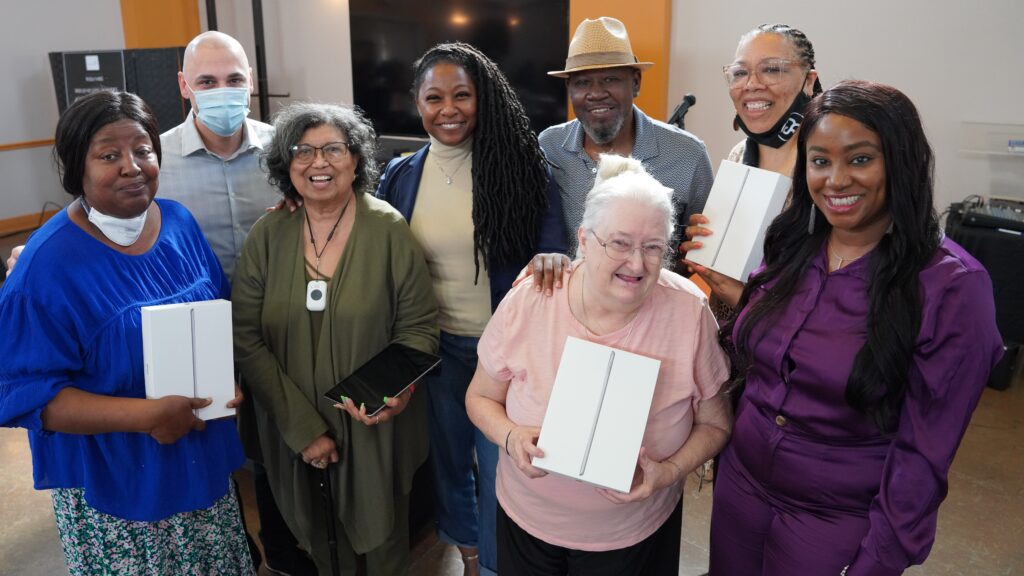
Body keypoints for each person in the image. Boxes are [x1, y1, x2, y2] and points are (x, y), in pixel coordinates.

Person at [3, 30, 309, 573]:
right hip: (120, 478)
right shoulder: (46, 268)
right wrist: (145, 416)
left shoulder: (179, 224)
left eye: (142, 150)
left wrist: (226, 380)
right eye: (108, 155)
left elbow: (212, 312)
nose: (131, 165)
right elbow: (29, 396)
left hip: (200, 456)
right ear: (77, 166)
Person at [707, 80, 1003, 576]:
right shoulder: (792, 243)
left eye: (860, 159)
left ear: (901, 162)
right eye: (820, 161)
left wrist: (878, 560)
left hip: (835, 518)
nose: (836, 180)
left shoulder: (951, 287)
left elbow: (924, 453)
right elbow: (771, 346)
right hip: (740, 488)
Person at [466, 155, 731, 575]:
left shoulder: (688, 312)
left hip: (634, 532)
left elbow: (716, 424)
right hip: (528, 521)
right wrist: (511, 435)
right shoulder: (532, 298)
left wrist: (668, 472)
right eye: (620, 243)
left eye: (652, 248)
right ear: (584, 240)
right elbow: (480, 396)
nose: (637, 264)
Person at [375, 42, 567, 576]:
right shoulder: (399, 175)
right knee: (450, 463)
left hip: (502, 356)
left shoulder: (525, 169)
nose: (449, 109)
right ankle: (469, 551)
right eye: (434, 98)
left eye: (462, 95)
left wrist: (552, 254)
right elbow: (367, 237)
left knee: (497, 464)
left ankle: (495, 565)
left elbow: (553, 248)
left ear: (483, 98)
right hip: (433, 349)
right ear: (417, 103)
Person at [232, 101, 439, 575]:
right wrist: (303, 429)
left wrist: (396, 393)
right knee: (320, 545)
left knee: (384, 543)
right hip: (291, 423)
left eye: (332, 149)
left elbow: (419, 327)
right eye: (302, 151)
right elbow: (245, 337)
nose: (318, 162)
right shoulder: (268, 234)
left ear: (357, 158)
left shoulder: (388, 228)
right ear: (286, 164)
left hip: (373, 426)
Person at [539, 16, 714, 258]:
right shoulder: (548, 147)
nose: (596, 93)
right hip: (566, 295)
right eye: (583, 83)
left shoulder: (688, 155)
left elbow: (704, 248)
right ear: (569, 90)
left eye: (610, 79)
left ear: (635, 83)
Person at [683, 23, 822, 318]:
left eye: (772, 69)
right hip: (729, 341)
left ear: (809, 81)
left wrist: (740, 299)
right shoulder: (739, 153)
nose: (752, 84)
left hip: (793, 346)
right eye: (740, 72)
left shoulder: (824, 162)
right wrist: (707, 238)